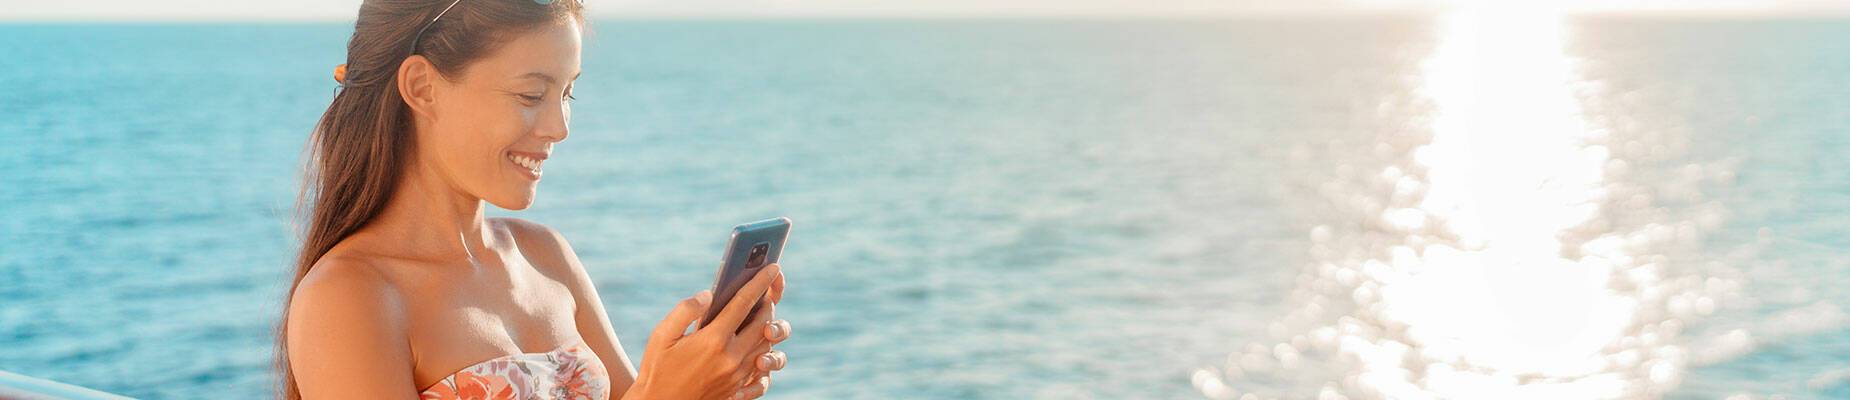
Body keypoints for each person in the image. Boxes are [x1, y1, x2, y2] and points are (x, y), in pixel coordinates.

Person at [275, 1, 792, 398]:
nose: (560, 128)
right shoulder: (349, 297)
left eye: (568, 93)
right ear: (422, 87)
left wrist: (707, 381)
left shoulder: (545, 256)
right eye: (531, 95)